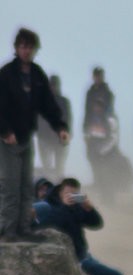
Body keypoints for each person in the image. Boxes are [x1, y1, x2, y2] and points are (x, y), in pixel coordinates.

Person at [0, 28, 70, 241]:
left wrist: (60, 127)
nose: (26, 50)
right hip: (7, 140)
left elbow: (48, 104)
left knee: (26, 186)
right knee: (10, 187)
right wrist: (5, 132)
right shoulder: (6, 74)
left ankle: (24, 229)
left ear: (35, 49)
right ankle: (8, 231)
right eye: (23, 46)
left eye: (30, 47)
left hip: (26, 138)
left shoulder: (37, 74)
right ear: (16, 48)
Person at [33, 177, 126, 275]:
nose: (72, 197)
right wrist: (64, 206)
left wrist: (90, 209)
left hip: (82, 256)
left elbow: (97, 224)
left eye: (75, 194)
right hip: (71, 260)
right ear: (60, 192)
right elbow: (51, 225)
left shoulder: (76, 207)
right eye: (68, 193)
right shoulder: (48, 207)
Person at [37, 74, 71, 174]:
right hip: (44, 138)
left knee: (59, 168)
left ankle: (59, 182)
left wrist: (66, 134)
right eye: (51, 85)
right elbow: (38, 119)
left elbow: (68, 119)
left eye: (54, 85)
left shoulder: (64, 101)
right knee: (46, 168)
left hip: (59, 138)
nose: (53, 87)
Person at [84, 66, 114, 132]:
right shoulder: (90, 93)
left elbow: (110, 109)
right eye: (96, 76)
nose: (98, 78)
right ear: (93, 77)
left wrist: (101, 107)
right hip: (92, 124)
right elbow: (87, 110)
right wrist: (85, 126)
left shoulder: (107, 93)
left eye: (99, 76)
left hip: (105, 124)